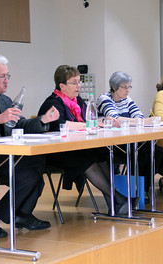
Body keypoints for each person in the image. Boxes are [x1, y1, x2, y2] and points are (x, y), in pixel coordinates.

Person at [0, 55, 58, 235]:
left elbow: (21, 125)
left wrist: (43, 119)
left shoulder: (5, 100)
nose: (6, 81)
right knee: (32, 171)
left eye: (8, 76)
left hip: (5, 156)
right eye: (2, 77)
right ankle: (5, 216)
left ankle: (17, 215)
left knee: (36, 166)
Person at [38, 65, 129, 215]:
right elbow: (60, 125)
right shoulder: (53, 102)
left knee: (102, 153)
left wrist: (103, 120)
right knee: (86, 159)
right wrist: (91, 124)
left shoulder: (77, 101)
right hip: (57, 151)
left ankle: (114, 202)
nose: (78, 86)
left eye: (79, 82)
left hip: (75, 147)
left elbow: (90, 119)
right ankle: (117, 198)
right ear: (62, 86)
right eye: (74, 83)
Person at [96, 71, 154, 192]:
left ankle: (142, 188)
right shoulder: (104, 98)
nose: (127, 90)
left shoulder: (127, 99)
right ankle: (132, 188)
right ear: (114, 87)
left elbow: (139, 116)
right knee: (140, 150)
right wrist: (141, 121)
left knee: (148, 147)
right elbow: (117, 120)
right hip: (109, 143)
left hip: (126, 140)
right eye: (124, 87)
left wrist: (142, 121)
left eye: (129, 87)